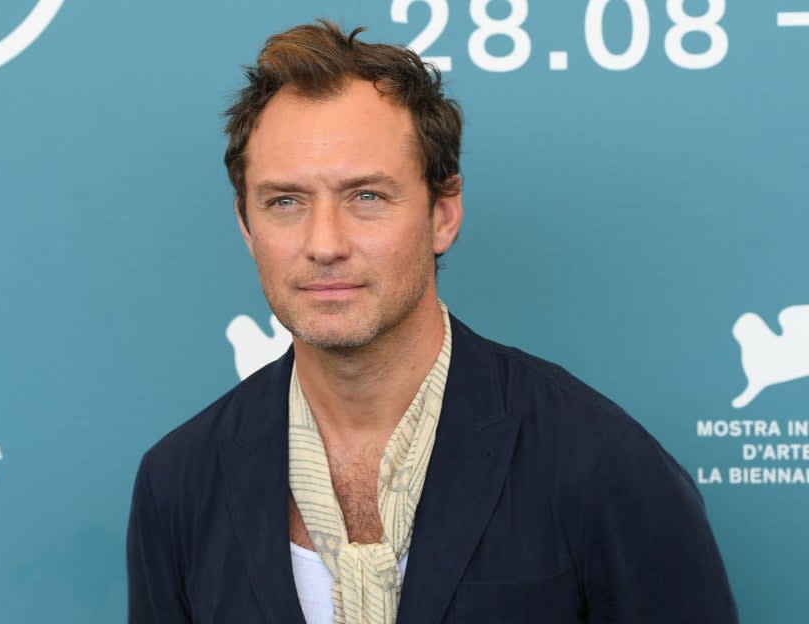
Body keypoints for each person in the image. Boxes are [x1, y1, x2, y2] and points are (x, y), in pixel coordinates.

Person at [127, 20, 738, 624]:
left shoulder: (601, 463)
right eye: (285, 201)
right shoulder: (179, 482)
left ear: (443, 214)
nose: (324, 243)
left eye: (366, 196)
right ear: (246, 225)